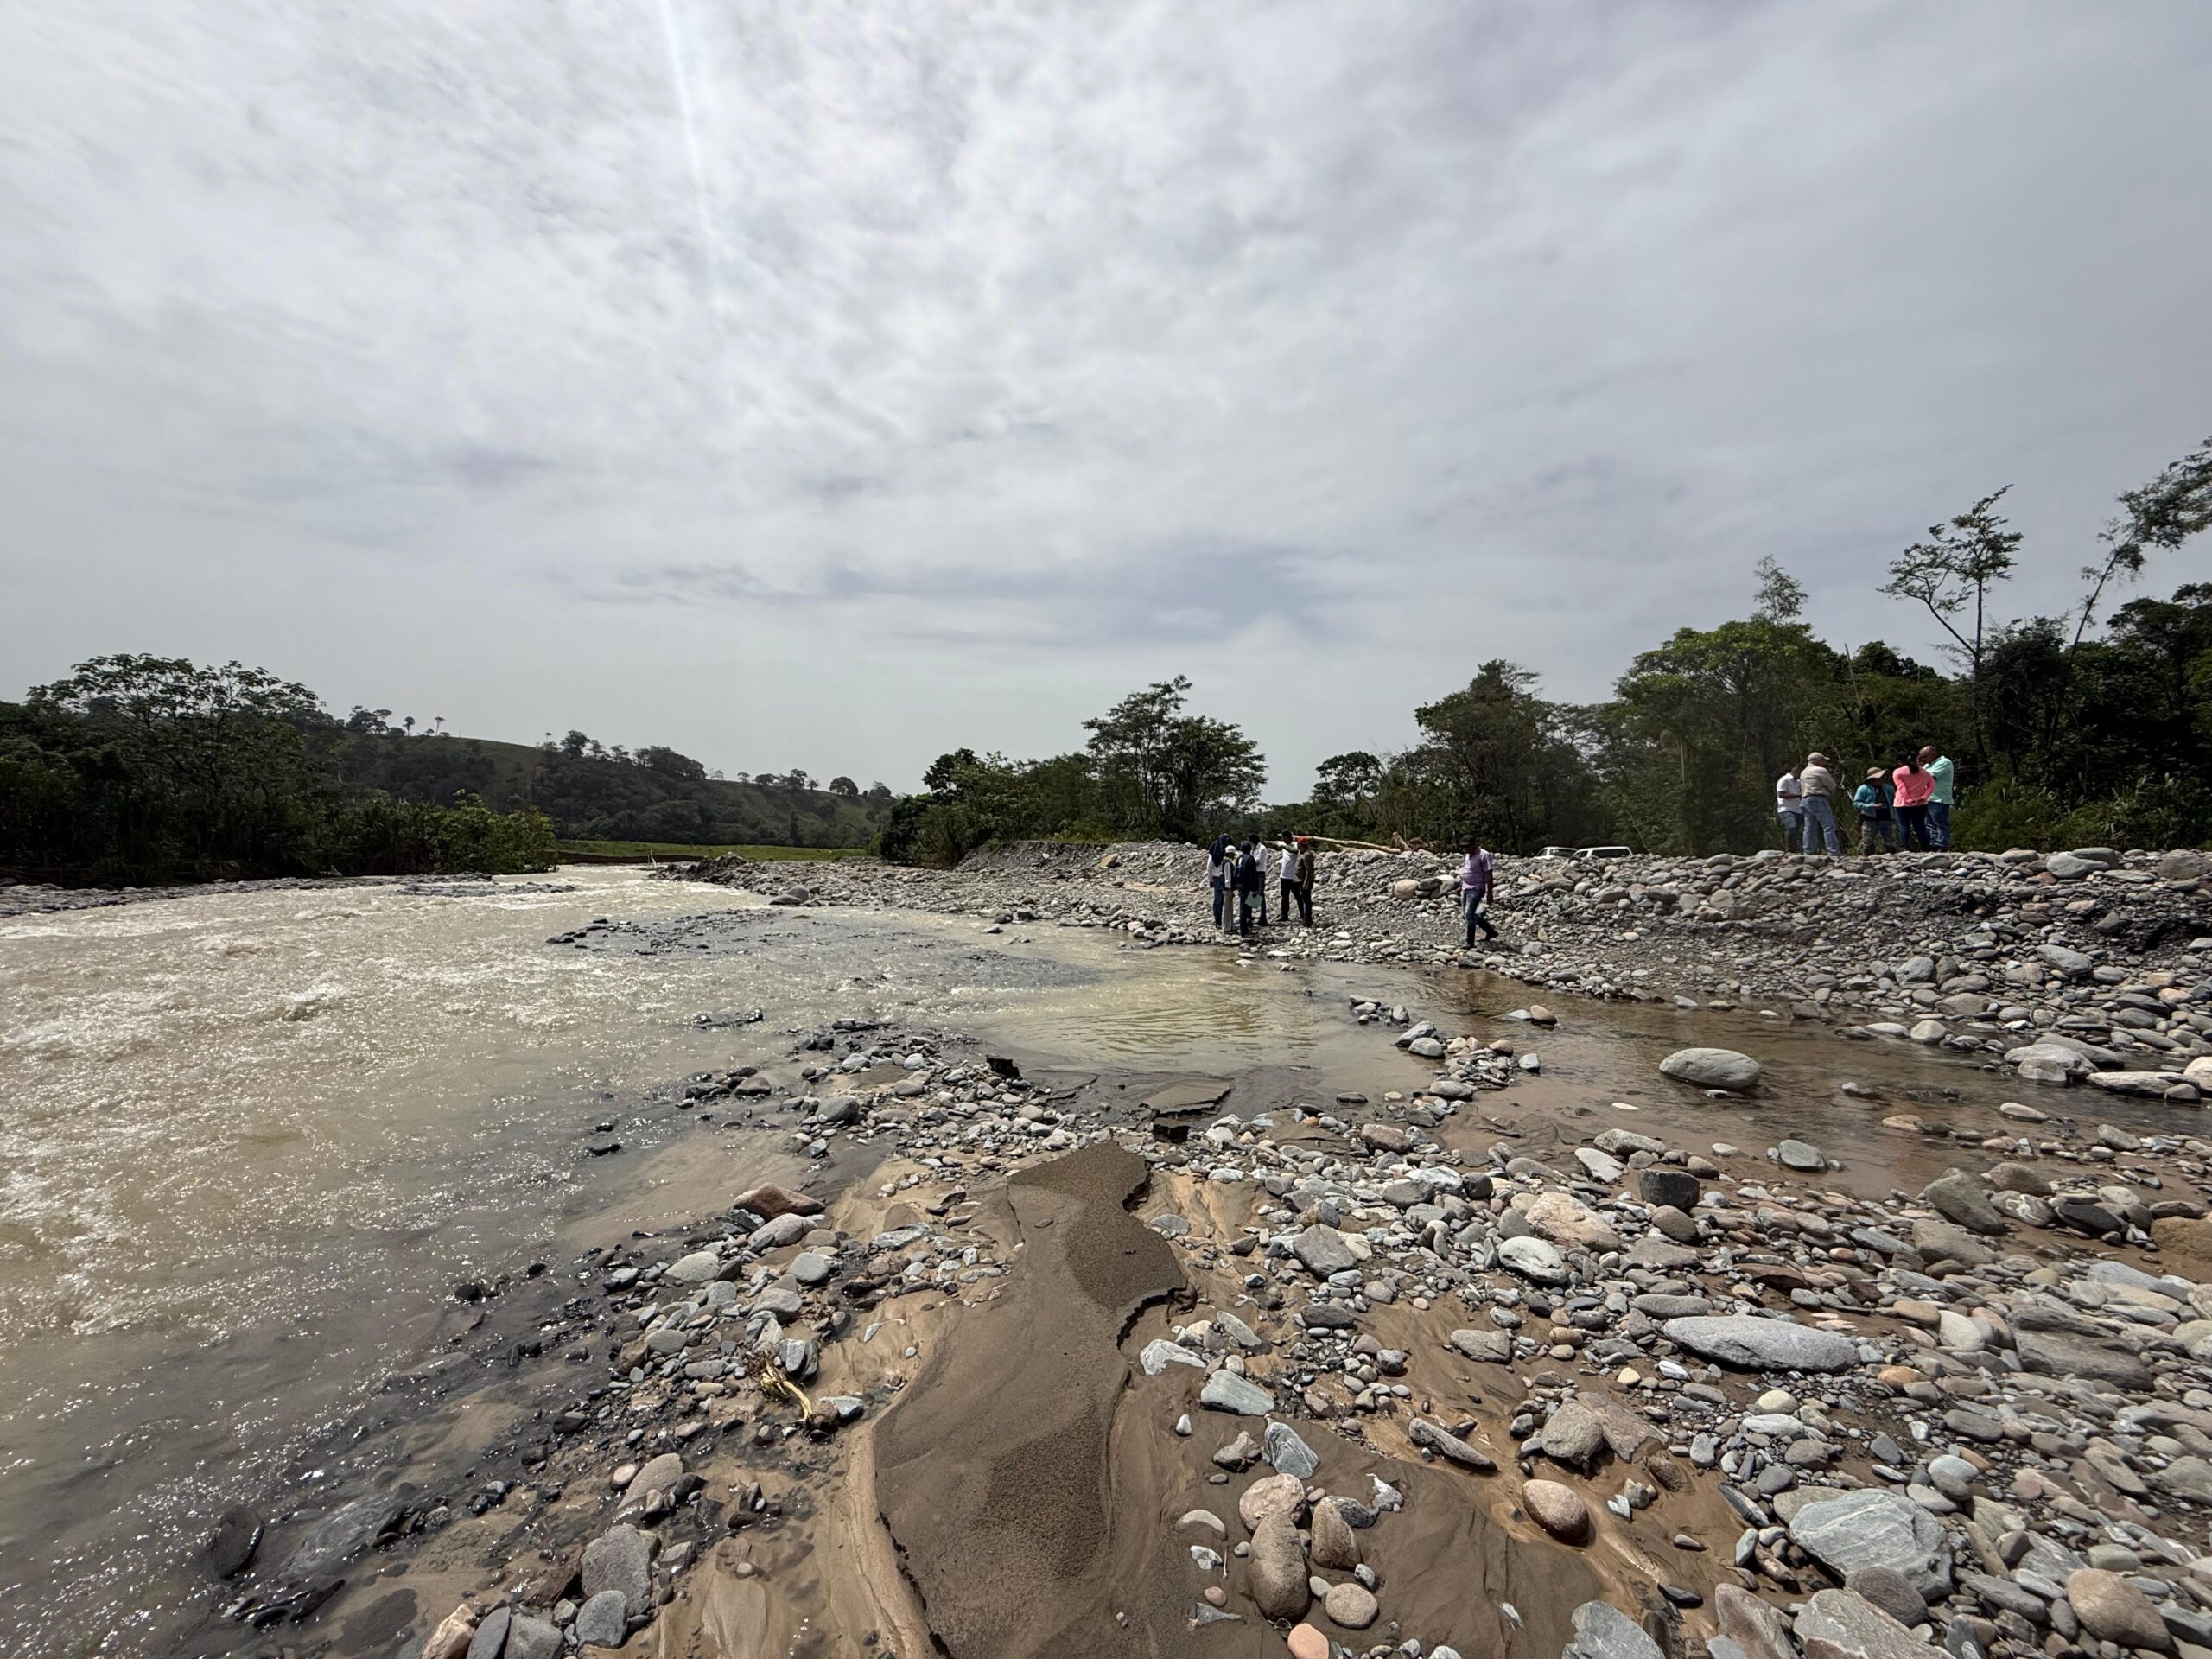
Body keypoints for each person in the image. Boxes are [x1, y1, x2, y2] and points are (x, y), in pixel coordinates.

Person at [1798, 753, 1843, 856]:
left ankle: (1808, 851)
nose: (1824, 762)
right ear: (1817, 760)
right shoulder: (1820, 770)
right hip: (1818, 799)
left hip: (1805, 799)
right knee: (1828, 826)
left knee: (1809, 827)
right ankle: (1833, 851)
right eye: (1823, 759)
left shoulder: (1804, 772)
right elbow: (1831, 785)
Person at [1459, 837, 1498, 945]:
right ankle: (1490, 931)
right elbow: (1466, 871)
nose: (1465, 849)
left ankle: (1470, 942)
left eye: (1467, 846)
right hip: (1465, 887)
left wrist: (1489, 893)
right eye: (1464, 847)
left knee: (1469, 914)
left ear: (1473, 845)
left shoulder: (1484, 855)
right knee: (1468, 915)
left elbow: (1489, 875)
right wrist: (1460, 885)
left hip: (1476, 888)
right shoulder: (1467, 856)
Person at [1891, 751, 1935, 849]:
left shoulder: (1898, 772)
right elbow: (1931, 786)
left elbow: (1901, 787)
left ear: (1900, 762)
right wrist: (1924, 797)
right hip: (1920, 803)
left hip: (1902, 803)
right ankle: (1925, 847)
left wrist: (1908, 799)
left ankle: (1904, 848)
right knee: (1920, 826)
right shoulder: (1925, 772)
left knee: (1904, 826)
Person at [1853, 767, 1897, 855]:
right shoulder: (1863, 789)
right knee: (1868, 840)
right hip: (1870, 818)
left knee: (1890, 840)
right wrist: (1870, 806)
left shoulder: (1888, 788)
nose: (1884, 778)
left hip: (1887, 817)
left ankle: (1891, 855)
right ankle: (1869, 857)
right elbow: (1856, 803)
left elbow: (1893, 800)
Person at [1919, 745, 1955, 849]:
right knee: (1930, 824)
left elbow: (1930, 777)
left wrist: (1918, 771)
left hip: (1939, 798)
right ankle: (1933, 843)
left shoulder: (1944, 762)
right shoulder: (1927, 766)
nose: (1923, 759)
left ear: (1933, 754)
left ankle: (1942, 844)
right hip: (1927, 798)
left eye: (1925, 756)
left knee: (1940, 822)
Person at [1235, 838, 1265, 935]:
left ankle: (1245, 926)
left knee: (1243, 907)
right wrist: (1256, 888)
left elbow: (1236, 873)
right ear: (1249, 849)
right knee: (1246, 908)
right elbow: (1253, 874)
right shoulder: (1250, 858)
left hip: (1241, 886)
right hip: (1248, 886)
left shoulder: (1239, 859)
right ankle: (1244, 930)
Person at [1775, 765, 1804, 852]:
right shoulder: (1784, 780)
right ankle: (1789, 850)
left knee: (1796, 830)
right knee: (1791, 827)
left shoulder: (1798, 782)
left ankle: (1795, 849)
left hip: (1798, 809)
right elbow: (1781, 794)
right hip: (1786, 809)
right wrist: (1798, 795)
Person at [1205, 835, 1231, 930]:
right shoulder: (1214, 852)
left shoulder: (1217, 852)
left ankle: (1222, 920)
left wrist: (1210, 880)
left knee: (1220, 900)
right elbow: (1209, 867)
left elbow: (1209, 867)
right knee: (1220, 900)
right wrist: (1210, 880)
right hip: (1219, 878)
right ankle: (1219, 920)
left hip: (1218, 878)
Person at [1293, 836, 1317, 926]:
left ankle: (1308, 919)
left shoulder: (1307, 855)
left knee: (1307, 900)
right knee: (1304, 899)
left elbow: (1309, 870)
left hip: (1305, 881)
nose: (1297, 845)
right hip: (1300, 880)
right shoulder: (1301, 852)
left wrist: (1306, 883)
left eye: (1299, 844)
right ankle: (1305, 918)